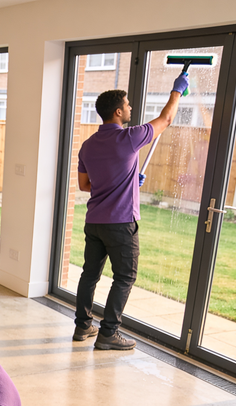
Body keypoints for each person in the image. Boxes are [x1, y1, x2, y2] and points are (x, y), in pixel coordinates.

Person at [73, 72, 189, 350]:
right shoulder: (129, 137)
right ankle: (108, 334)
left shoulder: (88, 145)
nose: (131, 108)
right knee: (124, 277)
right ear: (117, 111)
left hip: (94, 222)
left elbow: (85, 185)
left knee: (90, 274)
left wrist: (125, 180)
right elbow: (166, 120)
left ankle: (82, 327)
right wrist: (177, 92)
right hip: (121, 223)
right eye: (127, 105)